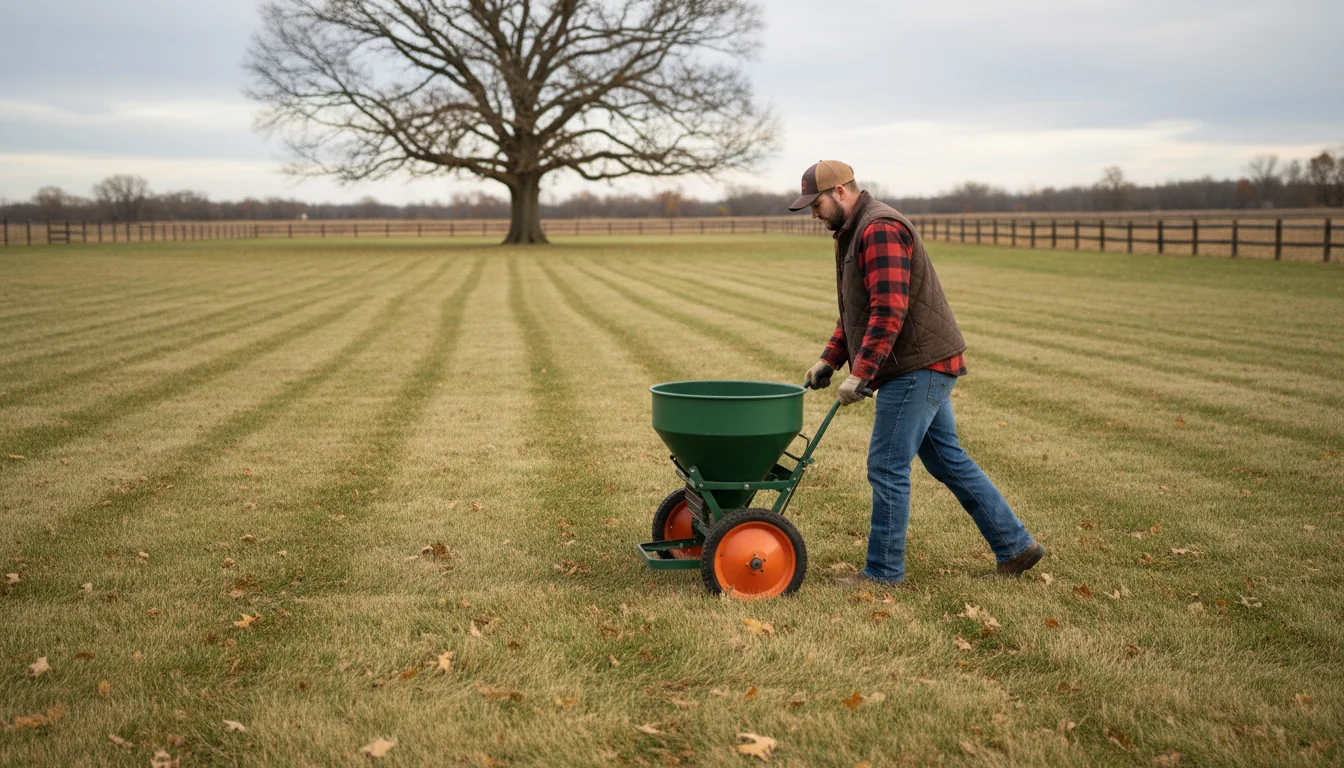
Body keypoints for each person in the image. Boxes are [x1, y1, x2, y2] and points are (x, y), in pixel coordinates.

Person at [790, 160, 1044, 585]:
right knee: (948, 461)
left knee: (886, 465)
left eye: (815, 204)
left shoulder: (879, 229)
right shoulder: (855, 232)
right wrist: (830, 360)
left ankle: (884, 572)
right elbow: (860, 309)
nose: (813, 213)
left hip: (917, 365)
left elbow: (890, 310)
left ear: (839, 192)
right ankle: (1016, 547)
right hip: (918, 362)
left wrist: (861, 374)